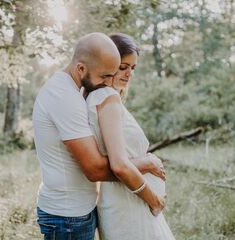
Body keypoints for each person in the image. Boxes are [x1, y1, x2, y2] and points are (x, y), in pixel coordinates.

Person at [32, 32, 166, 240]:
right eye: (106, 74)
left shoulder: (73, 92)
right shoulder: (64, 96)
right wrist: (147, 166)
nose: (108, 81)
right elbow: (96, 169)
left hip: (78, 210)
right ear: (81, 68)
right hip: (68, 216)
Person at [86, 33, 175, 240]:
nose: (129, 74)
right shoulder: (107, 98)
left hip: (129, 201)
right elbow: (118, 165)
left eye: (132, 68)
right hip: (128, 202)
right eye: (123, 67)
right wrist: (153, 198)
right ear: (107, 64)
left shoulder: (101, 97)